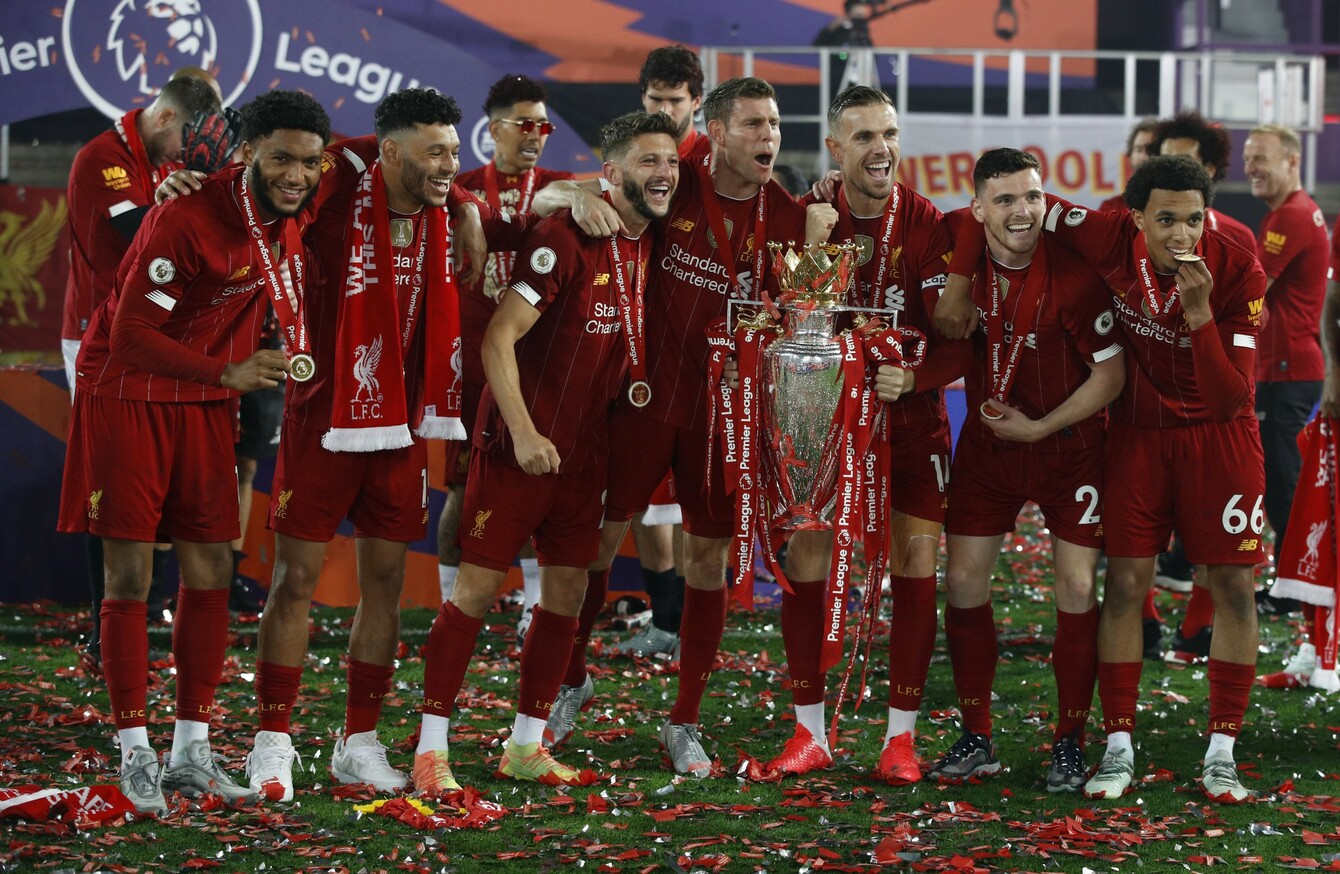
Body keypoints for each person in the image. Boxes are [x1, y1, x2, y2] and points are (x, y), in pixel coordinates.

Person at [937, 154, 1268, 804]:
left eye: (1194, 219)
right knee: (1124, 586)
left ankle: (1222, 751)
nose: (1181, 234)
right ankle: (1116, 746)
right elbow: (1001, 209)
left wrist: (1200, 316)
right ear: (1135, 217)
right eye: (1166, 219)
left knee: (1233, 586)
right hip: (1138, 437)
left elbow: (1231, 399)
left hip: (1219, 439)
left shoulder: (1238, 267)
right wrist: (954, 284)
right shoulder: (1103, 233)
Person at [57, 89, 331, 814]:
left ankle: (190, 753)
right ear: (247, 154)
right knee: (130, 574)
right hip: (128, 392)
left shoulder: (297, 203)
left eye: (309, 162)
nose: (297, 174)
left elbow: (390, 158)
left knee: (211, 567)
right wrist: (227, 372)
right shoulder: (185, 218)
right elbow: (130, 337)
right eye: (281, 158)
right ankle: (134, 753)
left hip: (205, 399)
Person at [412, 110, 681, 792]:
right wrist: (526, 433)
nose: (664, 174)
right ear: (611, 172)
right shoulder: (563, 237)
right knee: (475, 592)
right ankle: (430, 750)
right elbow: (497, 338)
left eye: (672, 163)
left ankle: (525, 745)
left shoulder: (652, 243)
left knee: (568, 591)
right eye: (649, 162)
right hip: (517, 449)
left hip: (584, 460)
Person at [242, 88, 475, 802]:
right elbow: (269, 184)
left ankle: (359, 743)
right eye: (434, 152)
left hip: (400, 427)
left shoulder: (443, 207)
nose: (449, 165)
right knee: (295, 582)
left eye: (454, 151)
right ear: (391, 152)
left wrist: (467, 206)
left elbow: (481, 192)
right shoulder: (336, 184)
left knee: (385, 585)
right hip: (323, 416)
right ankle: (271, 743)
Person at [760, 84, 961, 781]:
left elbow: (960, 341)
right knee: (808, 563)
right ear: (835, 148)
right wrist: (813, 242)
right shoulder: (808, 218)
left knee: (914, 569)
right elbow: (783, 323)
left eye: (890, 134)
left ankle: (900, 740)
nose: (882, 149)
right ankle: (809, 732)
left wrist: (916, 378)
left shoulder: (927, 222)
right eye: (865, 136)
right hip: (827, 429)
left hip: (912, 426)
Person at [927, 148, 1124, 791]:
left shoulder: (1075, 275)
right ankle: (977, 734)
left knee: (1075, 588)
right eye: (1005, 199)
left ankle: (1069, 739)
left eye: (1033, 196)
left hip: (1071, 448)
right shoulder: (960, 257)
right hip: (991, 451)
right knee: (963, 581)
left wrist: (1041, 427)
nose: (1022, 211)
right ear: (977, 209)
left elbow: (1111, 376)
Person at [60, 72, 223, 672]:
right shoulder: (102, 159)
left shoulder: (163, 158)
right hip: (99, 340)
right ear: (165, 118)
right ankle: (104, 622)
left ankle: (140, 609)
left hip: (155, 337)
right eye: (185, 140)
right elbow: (141, 240)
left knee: (154, 475)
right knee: (109, 480)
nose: (186, 153)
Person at [437, 75, 575, 642]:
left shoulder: (562, 188)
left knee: (535, 487)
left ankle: (533, 608)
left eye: (543, 125)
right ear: (493, 129)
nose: (536, 134)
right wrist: (466, 210)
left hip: (534, 370)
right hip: (470, 367)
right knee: (460, 492)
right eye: (524, 124)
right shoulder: (461, 190)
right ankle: (449, 606)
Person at [594, 44, 710, 661]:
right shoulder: (635, 153)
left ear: (697, 102)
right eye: (655, 98)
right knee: (640, 493)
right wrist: (566, 196)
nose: (665, 109)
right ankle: (666, 621)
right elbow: (584, 191)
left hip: (697, 354)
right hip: (633, 349)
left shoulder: (713, 161)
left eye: (676, 100)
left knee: (688, 500)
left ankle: (684, 624)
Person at [1145, 111, 1261, 661]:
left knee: (1214, 543)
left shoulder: (1237, 242)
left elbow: (1247, 330)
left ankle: (1195, 625)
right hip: (1140, 414)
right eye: (1162, 158)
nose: (1172, 169)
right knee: (1131, 546)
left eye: (1186, 162)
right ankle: (1145, 621)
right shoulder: (1120, 226)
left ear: (1210, 171)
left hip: (1212, 416)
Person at [1244, 124, 1327, 613]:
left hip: (1286, 369)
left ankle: (1297, 586)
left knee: (1283, 482)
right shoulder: (1290, 212)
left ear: (1292, 162)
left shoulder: (1290, 217)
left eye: (1261, 158)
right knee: (1279, 480)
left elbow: (1252, 292)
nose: (1250, 168)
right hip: (1286, 367)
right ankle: (1295, 583)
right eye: (1247, 158)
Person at [1097, 118, 1156, 213]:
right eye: (1139, 149)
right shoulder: (1111, 208)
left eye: (1151, 150)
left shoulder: (1176, 205)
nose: (1144, 157)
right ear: (1130, 156)